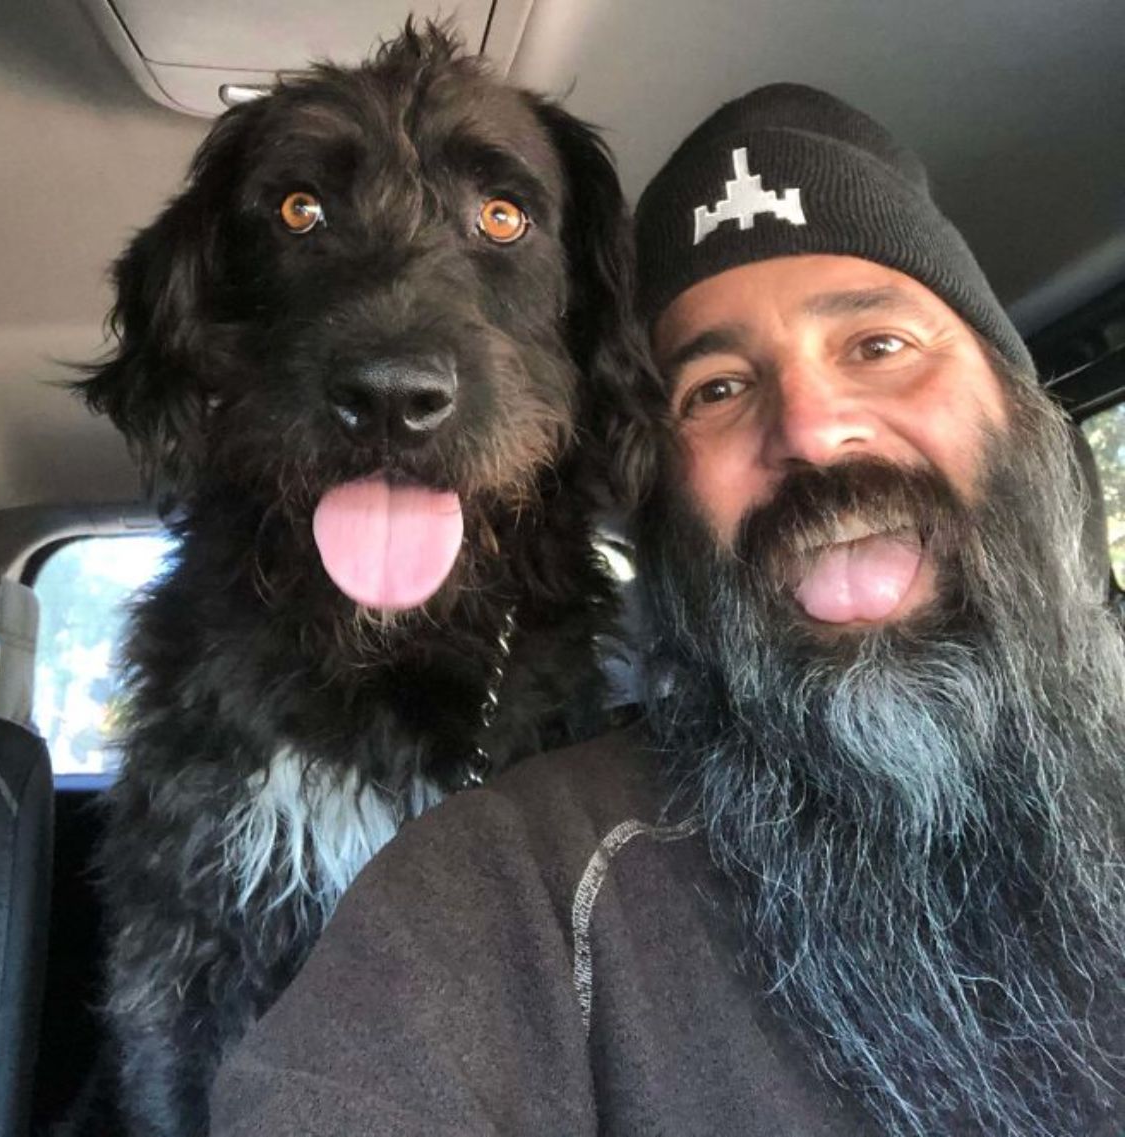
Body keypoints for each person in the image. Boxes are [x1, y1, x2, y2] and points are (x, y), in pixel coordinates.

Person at [208, 84, 1125, 1136]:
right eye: (717, 389)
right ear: (657, 488)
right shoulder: (518, 881)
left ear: (1028, 409)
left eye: (879, 345)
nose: (814, 432)